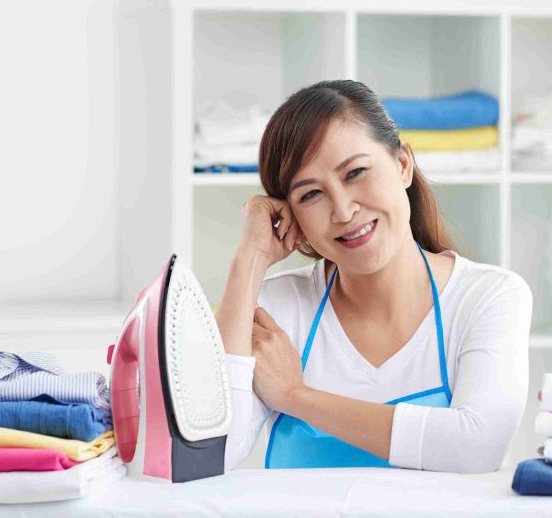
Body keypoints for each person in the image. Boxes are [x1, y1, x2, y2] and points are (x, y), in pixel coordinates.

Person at [214, 80, 532, 473]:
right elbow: (213, 449)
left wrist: (295, 396)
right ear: (292, 214)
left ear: (403, 166)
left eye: (355, 172)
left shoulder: (487, 296)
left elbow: (477, 445)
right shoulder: (279, 307)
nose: (343, 211)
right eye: (311, 194)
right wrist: (250, 257)